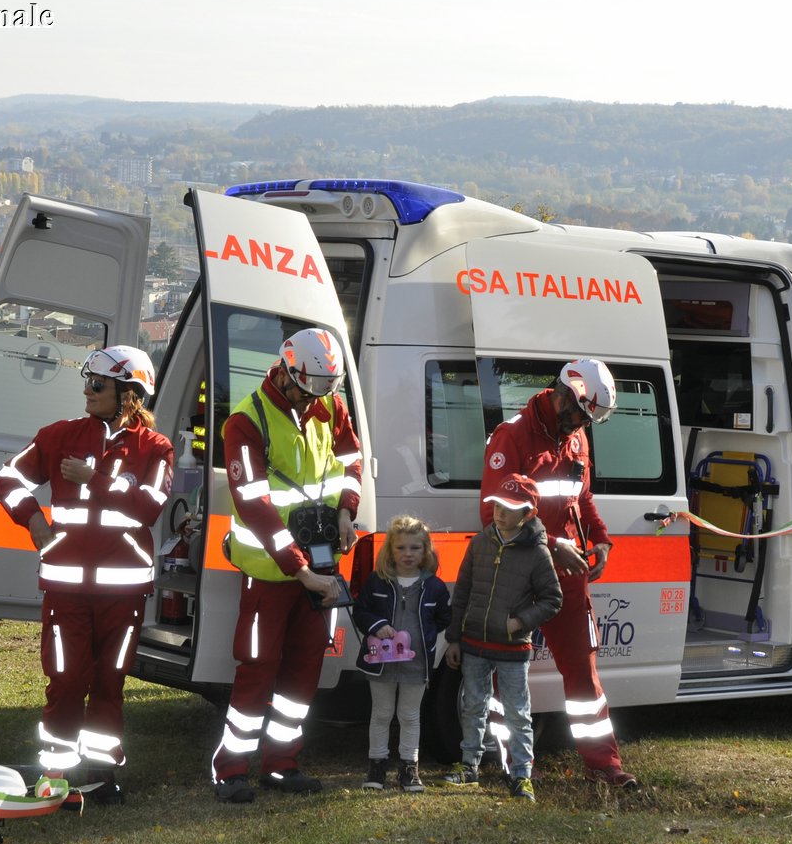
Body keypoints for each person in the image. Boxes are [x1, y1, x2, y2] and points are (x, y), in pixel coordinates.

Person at [0, 345, 173, 803]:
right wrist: (33, 520)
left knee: (110, 682)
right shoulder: (60, 436)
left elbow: (150, 507)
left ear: (129, 394)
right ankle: (55, 772)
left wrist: (94, 478)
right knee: (68, 678)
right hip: (67, 586)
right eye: (87, 383)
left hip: (125, 588)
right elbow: (7, 479)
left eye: (98, 385)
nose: (88, 392)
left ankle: (101, 776)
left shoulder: (155, 448)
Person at [211, 327, 364, 802]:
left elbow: (351, 459)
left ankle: (282, 764)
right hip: (271, 572)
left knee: (304, 671)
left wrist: (345, 509)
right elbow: (255, 507)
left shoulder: (327, 403)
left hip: (318, 566)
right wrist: (301, 569)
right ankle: (231, 768)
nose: (316, 399)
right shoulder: (245, 421)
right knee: (258, 668)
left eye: (326, 390)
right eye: (311, 388)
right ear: (286, 371)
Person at [480, 358, 639, 788]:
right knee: (509, 675)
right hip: (518, 574)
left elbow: (581, 497)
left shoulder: (576, 437)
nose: (580, 424)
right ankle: (515, 768)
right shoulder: (512, 435)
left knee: (584, 671)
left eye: (588, 419)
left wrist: (601, 538)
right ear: (563, 393)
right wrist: (553, 544)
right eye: (579, 413)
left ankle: (604, 766)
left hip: (568, 575)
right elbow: (492, 514)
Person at [442, 474, 562, 802]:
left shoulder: (538, 554)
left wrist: (520, 622)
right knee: (473, 705)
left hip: (512, 648)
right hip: (474, 645)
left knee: (517, 712)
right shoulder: (479, 543)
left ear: (528, 514)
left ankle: (522, 775)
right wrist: (454, 638)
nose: (499, 512)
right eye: (496, 505)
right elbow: (463, 591)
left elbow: (553, 599)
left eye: (509, 508)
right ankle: (469, 767)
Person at [352, 514, 452, 793]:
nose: (407, 554)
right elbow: (361, 611)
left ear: (425, 551)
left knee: (410, 715)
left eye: (414, 548)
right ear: (390, 551)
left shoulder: (434, 586)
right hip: (380, 665)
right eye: (401, 548)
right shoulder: (377, 581)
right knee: (381, 713)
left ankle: (409, 767)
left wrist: (427, 638)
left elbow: (445, 617)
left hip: (416, 665)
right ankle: (377, 766)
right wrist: (377, 625)